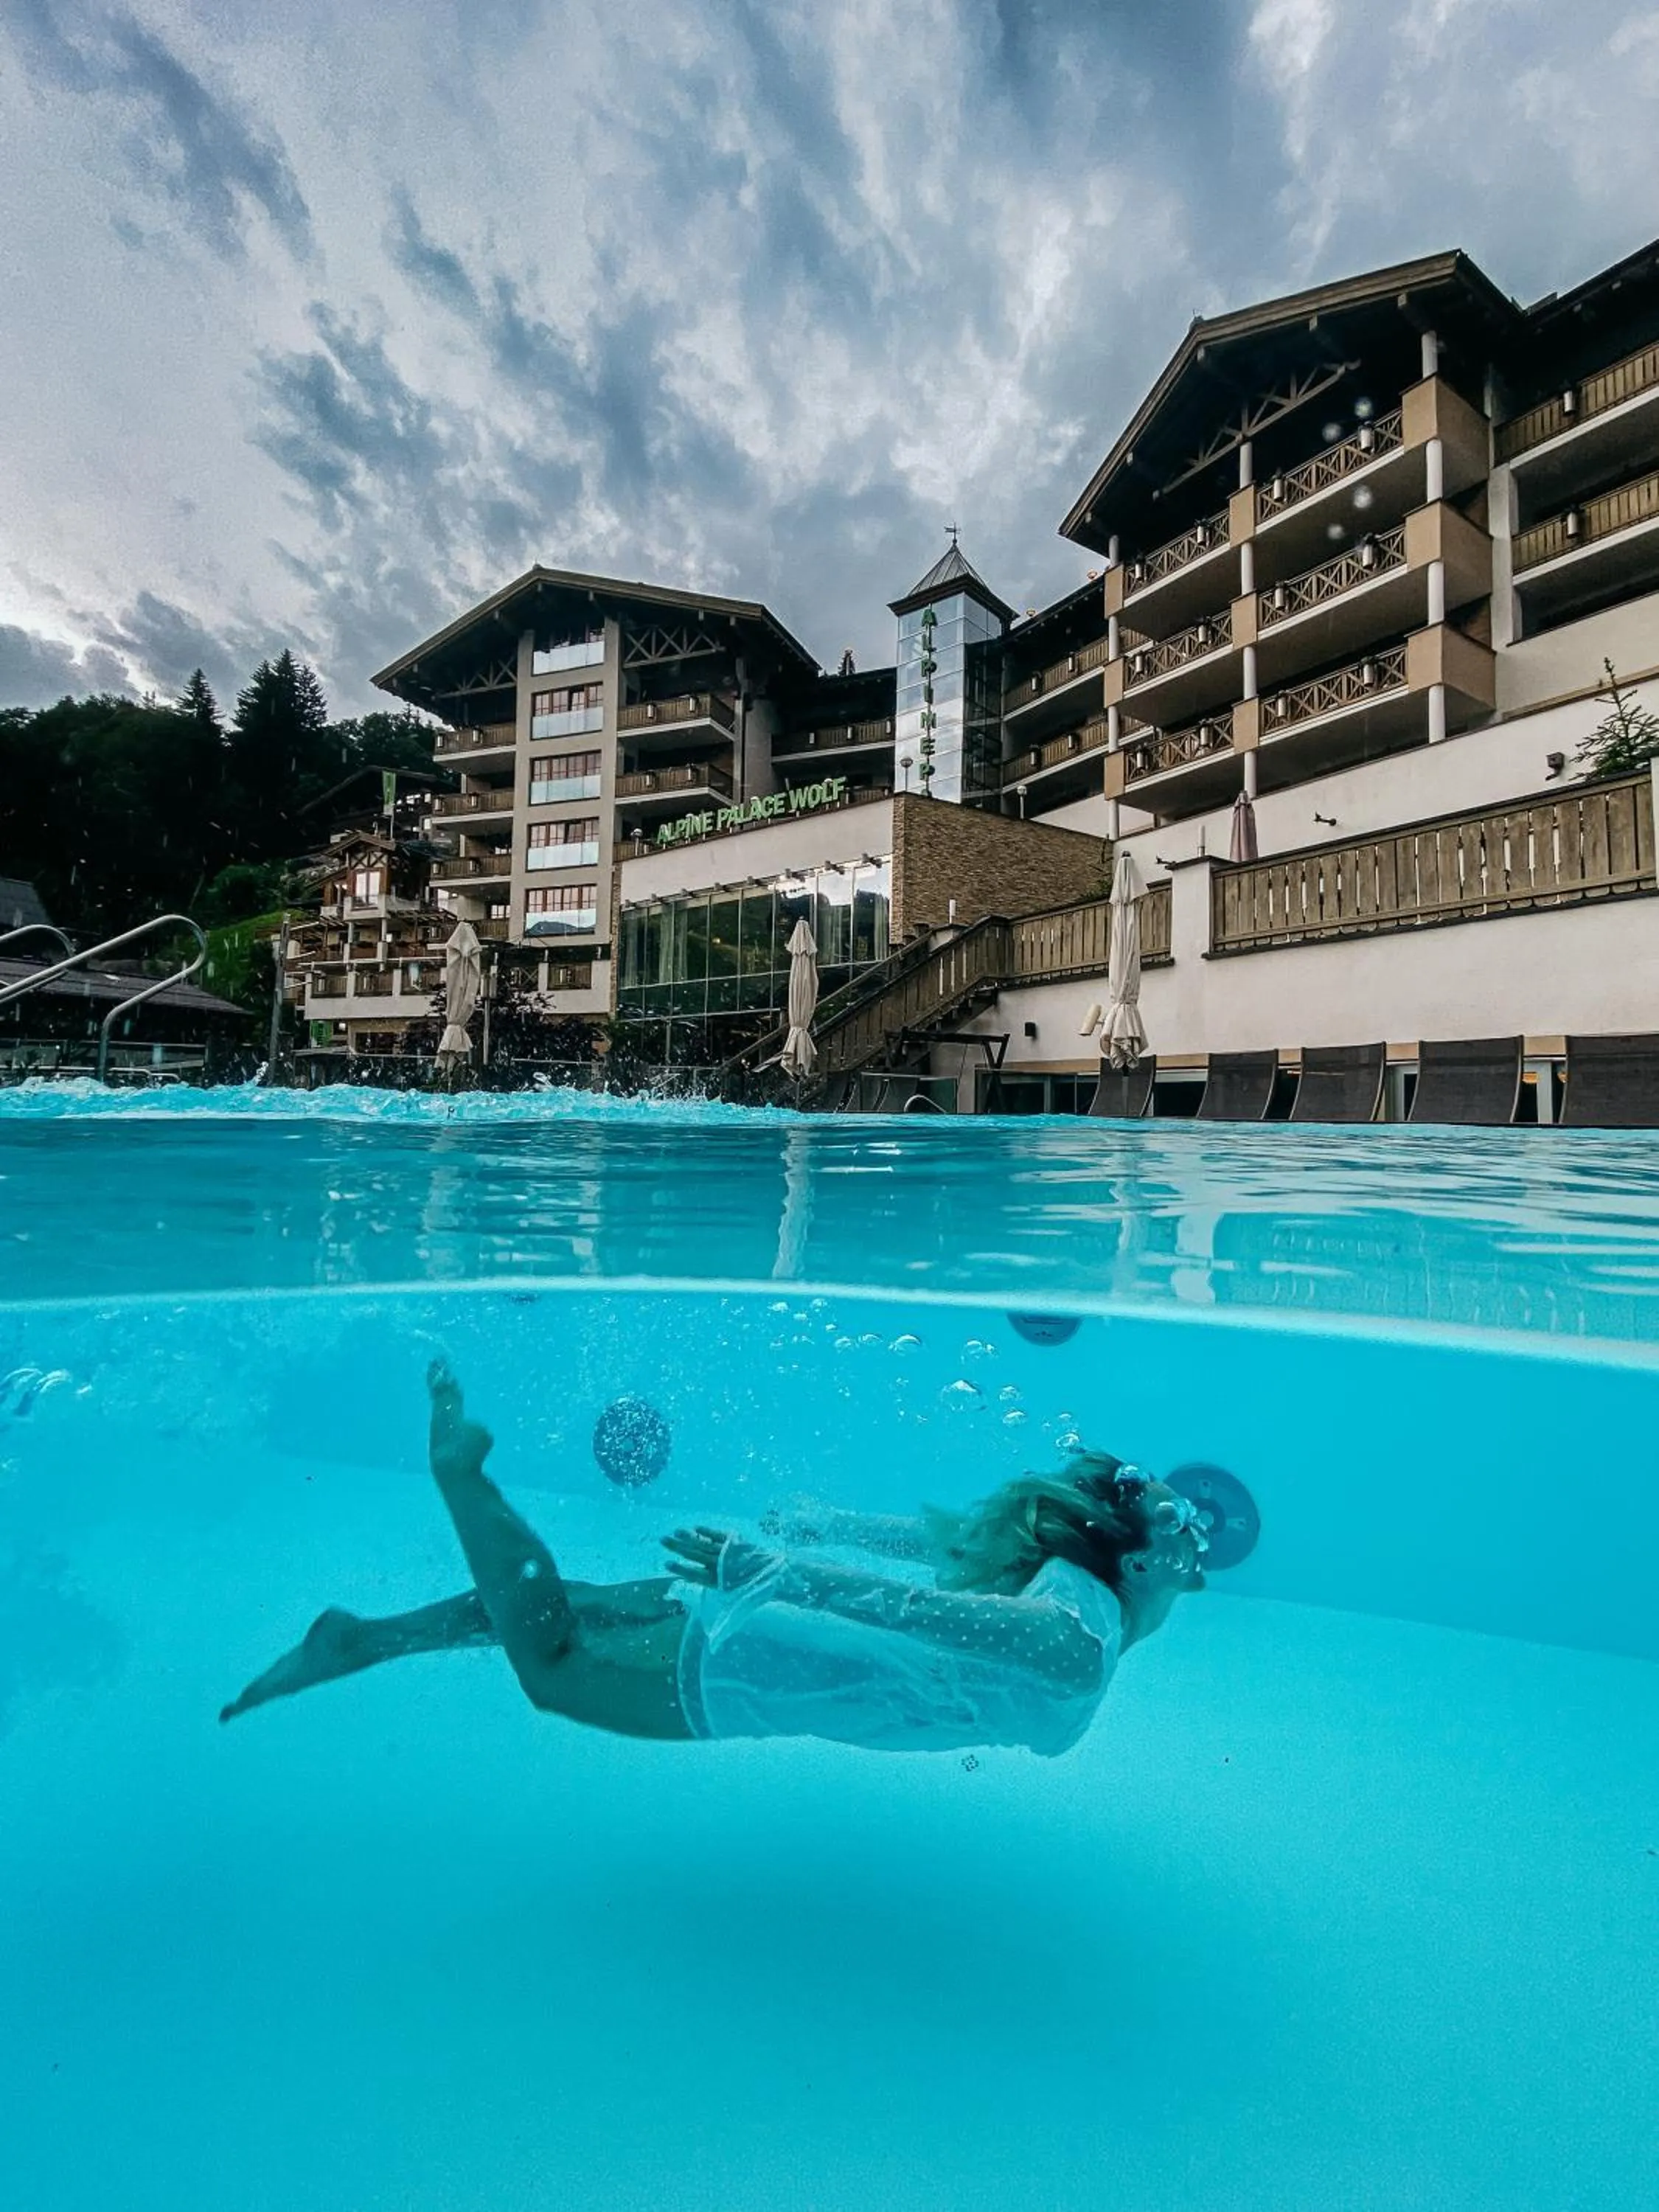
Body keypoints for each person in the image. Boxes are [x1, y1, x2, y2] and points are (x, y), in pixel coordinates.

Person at [220, 1360, 1208, 1756]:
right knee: (553, 1669)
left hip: (778, 1620)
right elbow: (920, 1612)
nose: (1191, 1554)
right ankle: (462, 1480)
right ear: (1128, 1560)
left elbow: (941, 1551)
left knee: (571, 1606)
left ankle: (363, 1640)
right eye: (1177, 1541)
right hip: (774, 1662)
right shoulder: (1082, 1641)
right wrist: (780, 1572)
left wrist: (820, 1533)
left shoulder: (1071, 1588)